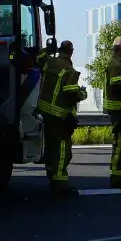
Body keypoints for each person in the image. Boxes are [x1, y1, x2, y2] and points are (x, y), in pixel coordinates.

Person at [35, 39, 85, 196]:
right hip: (59, 115)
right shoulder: (70, 70)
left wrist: (50, 49)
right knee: (62, 149)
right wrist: (82, 93)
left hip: (44, 111)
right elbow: (70, 92)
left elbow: (38, 57)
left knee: (50, 147)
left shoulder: (49, 61)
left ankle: (52, 177)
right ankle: (59, 183)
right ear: (71, 52)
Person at [103, 37, 121, 189]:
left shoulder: (119, 63)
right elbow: (116, 85)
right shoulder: (115, 64)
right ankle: (116, 175)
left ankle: (120, 174)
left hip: (120, 109)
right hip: (118, 110)